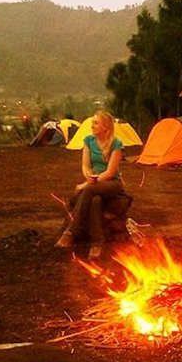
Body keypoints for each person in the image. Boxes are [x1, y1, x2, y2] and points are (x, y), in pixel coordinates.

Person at [55, 110, 124, 259]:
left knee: (88, 191)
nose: (92, 125)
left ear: (106, 127)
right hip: (93, 183)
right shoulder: (88, 141)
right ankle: (97, 244)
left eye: (96, 123)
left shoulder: (116, 144)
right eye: (92, 122)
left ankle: (70, 232)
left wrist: (86, 184)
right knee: (95, 201)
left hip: (112, 183)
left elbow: (111, 172)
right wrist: (88, 177)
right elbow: (85, 166)